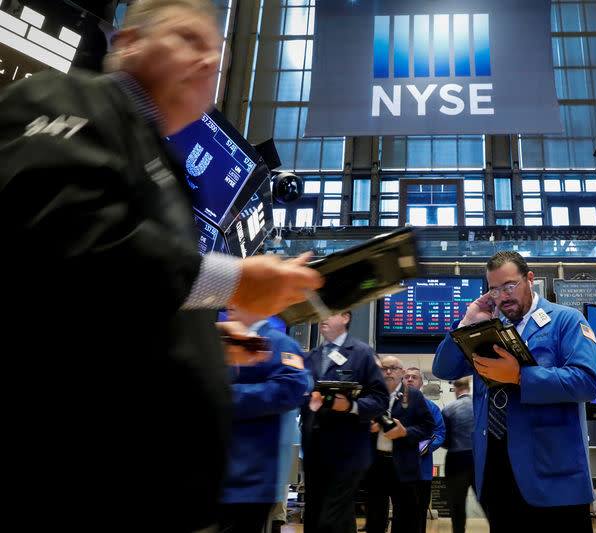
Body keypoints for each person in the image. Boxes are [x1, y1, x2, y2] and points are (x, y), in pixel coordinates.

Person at [0, 1, 323, 531]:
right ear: (128, 42)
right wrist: (234, 280)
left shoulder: (166, 168)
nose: (208, 60)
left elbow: (124, 304)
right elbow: (68, 236)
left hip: (160, 496)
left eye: (216, 53)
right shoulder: (66, 97)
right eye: (188, 39)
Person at [432, 250, 596, 532]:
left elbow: (586, 382)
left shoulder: (566, 320)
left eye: (509, 286)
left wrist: (519, 376)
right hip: (497, 475)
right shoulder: (487, 330)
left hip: (553, 478)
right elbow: (444, 369)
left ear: (530, 280)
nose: (503, 296)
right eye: (494, 289)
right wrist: (468, 322)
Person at [218, 306, 311, 533]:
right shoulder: (224, 341)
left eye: (240, 300)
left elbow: (292, 388)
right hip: (220, 468)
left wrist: (225, 396)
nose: (230, 306)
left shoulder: (281, 343)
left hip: (252, 472)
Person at [301, 312, 389, 533]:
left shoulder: (362, 353)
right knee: (314, 518)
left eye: (329, 312)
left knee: (330, 520)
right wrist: (306, 400)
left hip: (348, 450)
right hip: (314, 450)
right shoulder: (311, 356)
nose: (322, 318)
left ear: (346, 317)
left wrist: (351, 406)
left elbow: (380, 400)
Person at [366, 356, 436, 533]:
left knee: (405, 519)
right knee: (375, 517)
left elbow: (428, 428)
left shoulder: (414, 396)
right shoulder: (371, 393)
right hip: (376, 465)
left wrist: (405, 432)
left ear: (402, 373)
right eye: (384, 368)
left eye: (394, 368)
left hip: (405, 464)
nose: (388, 372)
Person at [404, 367, 447, 533]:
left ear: (421, 383)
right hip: (397, 470)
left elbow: (439, 432)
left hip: (421, 471)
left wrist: (425, 446)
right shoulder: (393, 405)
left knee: (419, 513)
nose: (409, 379)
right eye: (406, 376)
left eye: (414, 377)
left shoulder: (431, 408)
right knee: (401, 514)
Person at [441, 377, 478, 533]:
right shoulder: (479, 407)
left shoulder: (448, 409)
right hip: (478, 459)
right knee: (488, 502)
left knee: (457, 505)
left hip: (456, 461)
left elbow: (444, 439)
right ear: (468, 387)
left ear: (455, 389)